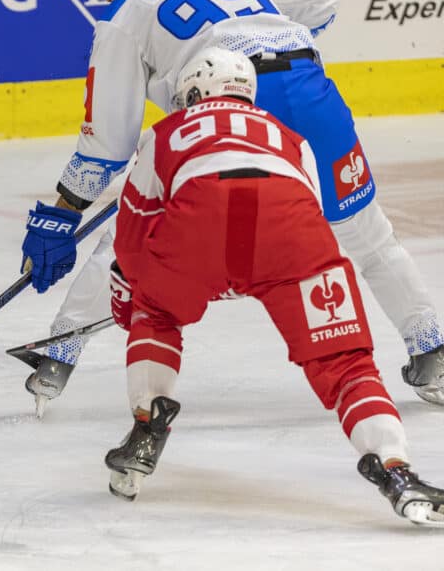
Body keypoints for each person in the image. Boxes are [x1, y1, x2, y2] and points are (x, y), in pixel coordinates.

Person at [18, 0, 444, 413]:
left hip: (228, 104)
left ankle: (61, 350)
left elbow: (108, 143)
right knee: (368, 235)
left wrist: (63, 213)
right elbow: (322, 0)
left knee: (134, 231)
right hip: (308, 88)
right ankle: (430, 346)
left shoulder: (124, 14)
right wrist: (262, 35)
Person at [101, 46, 444, 526]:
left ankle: (145, 428)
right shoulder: (290, 137)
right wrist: (253, 273)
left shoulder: (165, 133)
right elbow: (301, 212)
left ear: (195, 91)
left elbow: (133, 235)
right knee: (345, 361)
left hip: (198, 225)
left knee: (156, 314)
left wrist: (144, 293)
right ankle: (396, 469)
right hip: (294, 235)